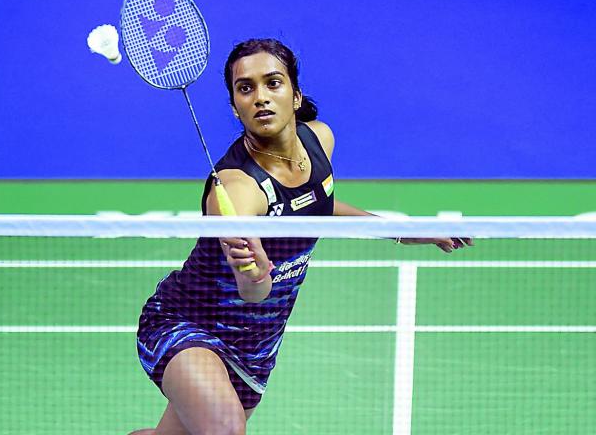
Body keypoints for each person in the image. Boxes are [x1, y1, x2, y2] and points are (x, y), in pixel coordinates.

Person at [129, 38, 471, 435]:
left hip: (256, 342)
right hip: (189, 322)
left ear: (295, 95)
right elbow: (252, 292)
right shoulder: (238, 192)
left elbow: (318, 205)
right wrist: (256, 274)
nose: (260, 97)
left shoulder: (319, 139)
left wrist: (404, 232)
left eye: (273, 83)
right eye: (246, 88)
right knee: (224, 429)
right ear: (234, 106)